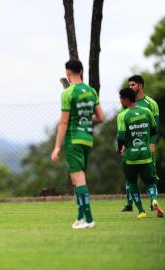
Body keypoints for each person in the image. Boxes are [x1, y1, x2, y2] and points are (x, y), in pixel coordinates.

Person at [51, 59, 104, 229]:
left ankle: (89, 219)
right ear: (81, 71)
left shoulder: (68, 93)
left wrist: (57, 147)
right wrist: (86, 121)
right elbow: (101, 117)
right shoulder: (91, 91)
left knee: (78, 179)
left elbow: (64, 122)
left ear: (67, 73)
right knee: (77, 179)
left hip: (73, 139)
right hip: (87, 138)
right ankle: (81, 217)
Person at [116, 88, 164, 218]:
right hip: (146, 155)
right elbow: (154, 130)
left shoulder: (123, 115)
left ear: (126, 99)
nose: (120, 101)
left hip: (130, 157)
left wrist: (119, 147)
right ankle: (154, 199)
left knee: (132, 182)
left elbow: (120, 137)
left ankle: (141, 211)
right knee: (150, 182)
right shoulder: (147, 112)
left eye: (121, 98)